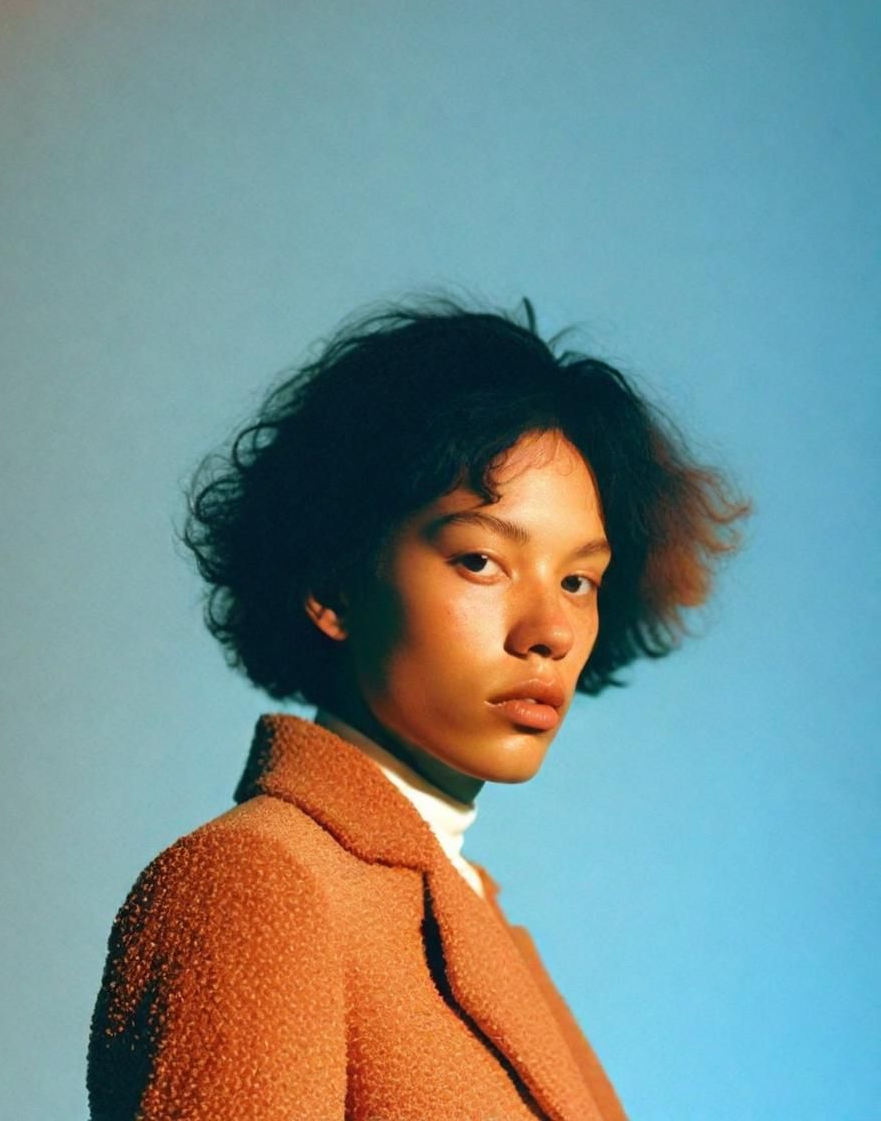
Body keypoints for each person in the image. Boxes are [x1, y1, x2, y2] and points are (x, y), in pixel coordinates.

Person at [87, 297, 748, 1120]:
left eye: (578, 580)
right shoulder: (256, 886)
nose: (549, 631)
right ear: (332, 585)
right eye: (480, 560)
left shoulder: (471, 911)